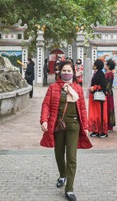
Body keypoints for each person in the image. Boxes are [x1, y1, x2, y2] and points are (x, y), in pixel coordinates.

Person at [40, 60, 92, 201]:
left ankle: (69, 188)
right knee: (58, 152)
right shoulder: (53, 88)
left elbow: (82, 109)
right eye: (64, 71)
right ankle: (62, 175)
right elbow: (46, 105)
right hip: (58, 125)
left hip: (73, 125)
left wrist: (85, 127)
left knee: (71, 157)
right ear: (60, 72)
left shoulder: (78, 88)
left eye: (69, 71)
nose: (66, 73)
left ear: (73, 72)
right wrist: (44, 120)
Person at [87, 59, 108, 138]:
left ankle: (102, 131)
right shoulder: (96, 73)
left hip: (99, 97)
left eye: (94, 64)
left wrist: (94, 87)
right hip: (94, 96)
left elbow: (103, 86)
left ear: (96, 65)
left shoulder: (100, 74)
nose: (93, 65)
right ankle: (95, 130)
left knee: (100, 113)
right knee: (95, 114)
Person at [105, 59, 116, 131]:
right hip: (108, 92)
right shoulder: (108, 74)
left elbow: (108, 85)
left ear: (108, 66)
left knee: (108, 108)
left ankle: (109, 125)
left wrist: (105, 91)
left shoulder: (109, 74)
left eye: (106, 64)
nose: (105, 66)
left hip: (107, 93)